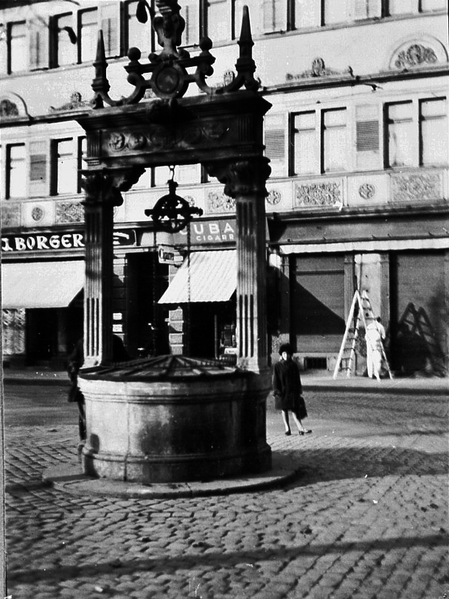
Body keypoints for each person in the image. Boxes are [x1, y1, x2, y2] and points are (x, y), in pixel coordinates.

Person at [67, 335, 130, 443]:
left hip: (83, 384)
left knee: (86, 417)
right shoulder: (114, 340)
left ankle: (85, 441)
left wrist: (75, 378)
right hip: (109, 385)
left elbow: (72, 362)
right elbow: (125, 360)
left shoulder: (84, 341)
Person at [272, 343, 311, 436]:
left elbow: (297, 378)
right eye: (284, 354)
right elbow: (275, 379)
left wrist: (299, 389)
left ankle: (300, 427)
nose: (286, 356)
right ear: (282, 354)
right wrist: (276, 390)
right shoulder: (277, 366)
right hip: (282, 390)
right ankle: (287, 428)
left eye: (288, 354)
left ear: (290, 355)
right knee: (284, 409)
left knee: (295, 409)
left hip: (292, 390)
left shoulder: (293, 365)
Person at [365, 317, 386, 382]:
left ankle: (370, 374)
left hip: (369, 343)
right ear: (380, 320)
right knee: (377, 359)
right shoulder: (381, 326)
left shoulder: (369, 326)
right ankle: (376, 373)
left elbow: (366, 336)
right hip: (376, 343)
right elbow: (383, 337)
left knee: (370, 358)